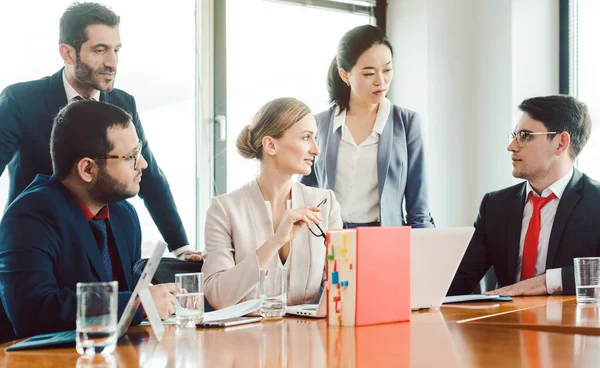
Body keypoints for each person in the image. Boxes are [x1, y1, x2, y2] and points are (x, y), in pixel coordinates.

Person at [0, 2, 201, 261]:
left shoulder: (123, 103)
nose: (112, 62)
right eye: (100, 50)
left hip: (104, 247)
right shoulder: (22, 100)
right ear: (68, 53)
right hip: (38, 243)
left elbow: (149, 177)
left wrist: (181, 248)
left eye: (116, 50)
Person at [0, 100, 178, 341]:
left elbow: (122, 292)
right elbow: (33, 312)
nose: (143, 164)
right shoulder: (29, 217)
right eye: (131, 156)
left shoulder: (124, 215)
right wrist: (138, 304)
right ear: (87, 169)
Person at [448, 95, 600, 296]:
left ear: (560, 143)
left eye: (525, 135)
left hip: (572, 324)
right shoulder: (495, 206)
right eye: (515, 135)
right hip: (505, 323)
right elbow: (460, 278)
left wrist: (548, 282)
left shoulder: (595, 202)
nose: (511, 146)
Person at [203, 97, 342, 310]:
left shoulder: (326, 204)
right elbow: (217, 297)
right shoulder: (224, 209)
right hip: (244, 340)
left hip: (309, 338)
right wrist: (276, 241)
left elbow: (341, 283)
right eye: (306, 137)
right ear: (270, 145)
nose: (316, 150)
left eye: (315, 137)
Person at [301, 25, 434, 229]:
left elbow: (419, 207)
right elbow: (304, 193)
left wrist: (422, 250)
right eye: (369, 73)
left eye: (387, 70)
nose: (381, 81)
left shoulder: (407, 123)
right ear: (345, 75)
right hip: (329, 241)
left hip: (385, 243)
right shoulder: (319, 124)